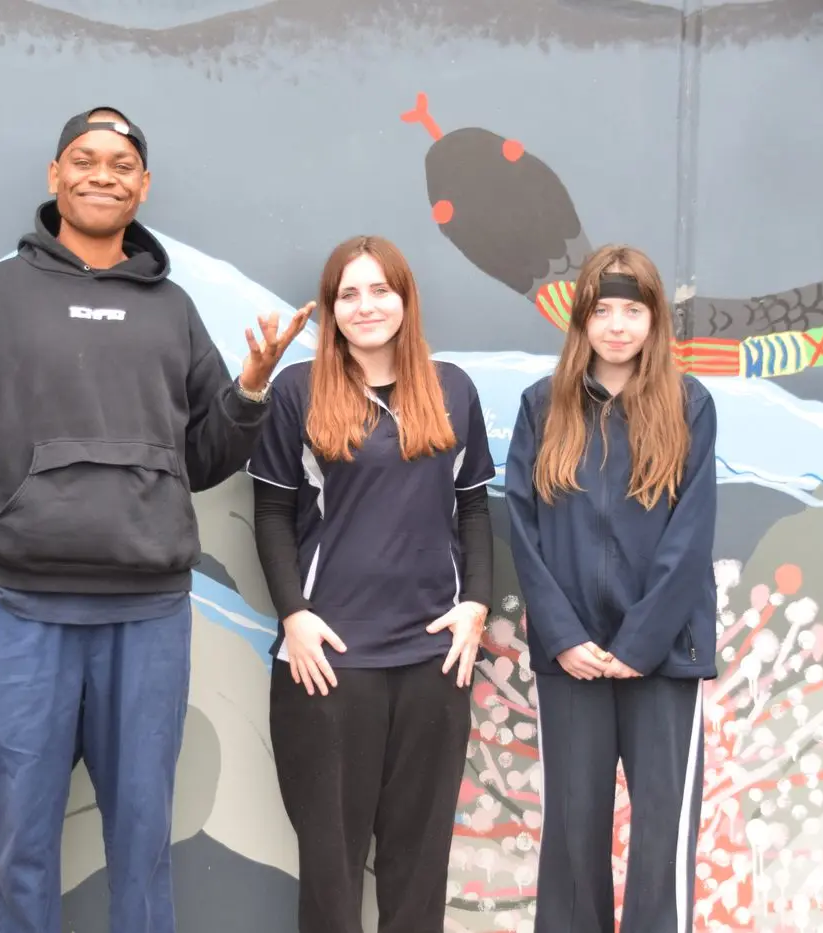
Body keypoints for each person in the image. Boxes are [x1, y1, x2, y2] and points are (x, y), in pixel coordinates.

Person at [0, 107, 310, 933]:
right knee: (22, 841)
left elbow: (205, 458)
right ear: (54, 175)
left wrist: (249, 389)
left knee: (142, 842)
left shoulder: (172, 308)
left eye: (119, 163)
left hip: (146, 612)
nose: (101, 174)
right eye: (84, 159)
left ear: (142, 186)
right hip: (23, 609)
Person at [247, 234, 495, 933]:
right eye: (348, 294)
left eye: (379, 289)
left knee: (417, 869)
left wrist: (474, 603)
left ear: (404, 298)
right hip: (329, 662)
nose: (365, 306)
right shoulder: (297, 391)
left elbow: (472, 504)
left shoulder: (452, 389)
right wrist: (293, 615)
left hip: (431, 660)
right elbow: (270, 512)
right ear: (330, 309)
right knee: (331, 870)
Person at [504, 244, 718, 933]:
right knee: (572, 834)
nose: (618, 325)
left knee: (660, 837)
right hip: (573, 663)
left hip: (662, 657)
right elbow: (523, 527)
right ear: (581, 319)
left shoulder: (688, 404)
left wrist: (640, 642)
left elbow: (690, 535)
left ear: (654, 319)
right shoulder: (542, 406)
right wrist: (563, 637)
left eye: (633, 309)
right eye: (603, 310)